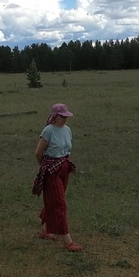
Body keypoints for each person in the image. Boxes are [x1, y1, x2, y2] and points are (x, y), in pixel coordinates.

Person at [32, 103, 82, 252]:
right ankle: (68, 241)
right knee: (59, 204)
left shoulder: (67, 130)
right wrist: (46, 166)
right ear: (55, 116)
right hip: (51, 170)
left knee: (55, 199)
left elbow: (67, 149)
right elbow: (38, 153)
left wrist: (66, 164)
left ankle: (45, 230)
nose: (65, 119)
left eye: (66, 116)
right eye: (62, 116)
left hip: (64, 167)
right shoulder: (48, 130)